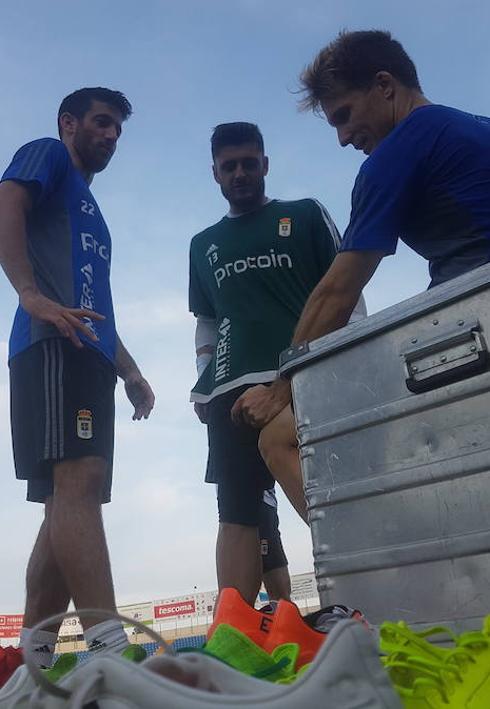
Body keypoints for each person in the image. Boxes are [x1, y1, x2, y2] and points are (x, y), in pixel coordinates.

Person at [234, 30, 490, 515]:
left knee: (279, 436)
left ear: (385, 86)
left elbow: (339, 290)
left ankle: (378, 563)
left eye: (345, 116)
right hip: (466, 307)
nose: (343, 137)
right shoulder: (472, 126)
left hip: (475, 321)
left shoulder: (398, 152)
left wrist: (281, 388)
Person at [0, 87, 154, 670]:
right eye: (101, 123)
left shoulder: (90, 211)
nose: (111, 135)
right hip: (52, 347)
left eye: (118, 128)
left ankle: (30, 663)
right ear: (70, 123)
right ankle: (110, 652)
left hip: (88, 354)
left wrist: (130, 369)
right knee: (80, 486)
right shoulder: (48, 155)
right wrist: (29, 294)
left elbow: (98, 306)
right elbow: (6, 201)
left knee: (64, 505)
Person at [189, 121, 365, 605]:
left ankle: (371, 559)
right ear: (215, 174)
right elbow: (207, 320)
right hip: (228, 390)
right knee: (237, 513)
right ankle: (236, 632)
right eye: (230, 167)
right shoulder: (202, 244)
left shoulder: (305, 215)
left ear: (265, 164)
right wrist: (202, 379)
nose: (240, 173)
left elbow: (346, 289)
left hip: (304, 374)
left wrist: (349, 357)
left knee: (328, 478)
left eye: (249, 163)